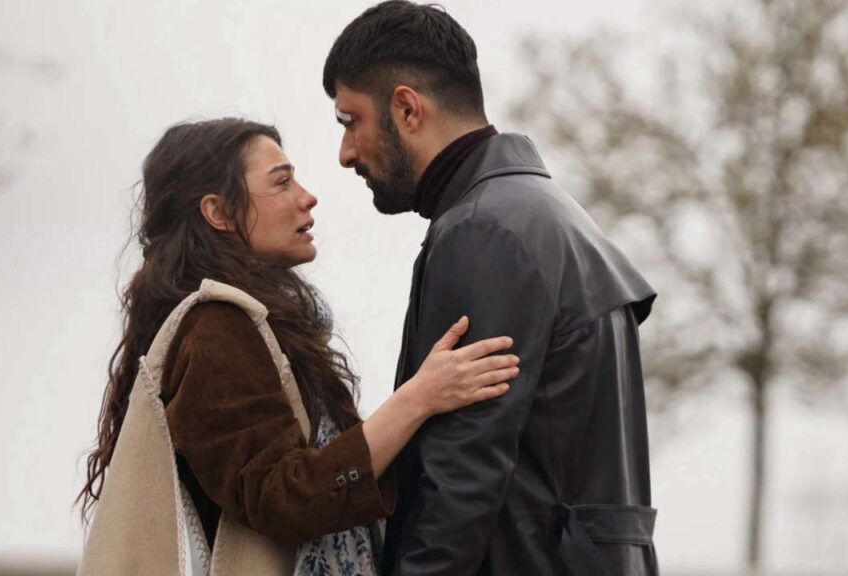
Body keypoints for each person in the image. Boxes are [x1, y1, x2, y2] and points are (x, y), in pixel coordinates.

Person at [76, 118, 520, 575]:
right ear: (219, 213)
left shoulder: (256, 326)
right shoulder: (215, 326)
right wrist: (419, 398)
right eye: (282, 182)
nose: (307, 197)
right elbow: (285, 499)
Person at [322, 2, 660, 575]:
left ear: (406, 108)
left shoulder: (484, 231)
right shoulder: (547, 215)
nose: (345, 153)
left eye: (350, 121)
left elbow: (461, 476)